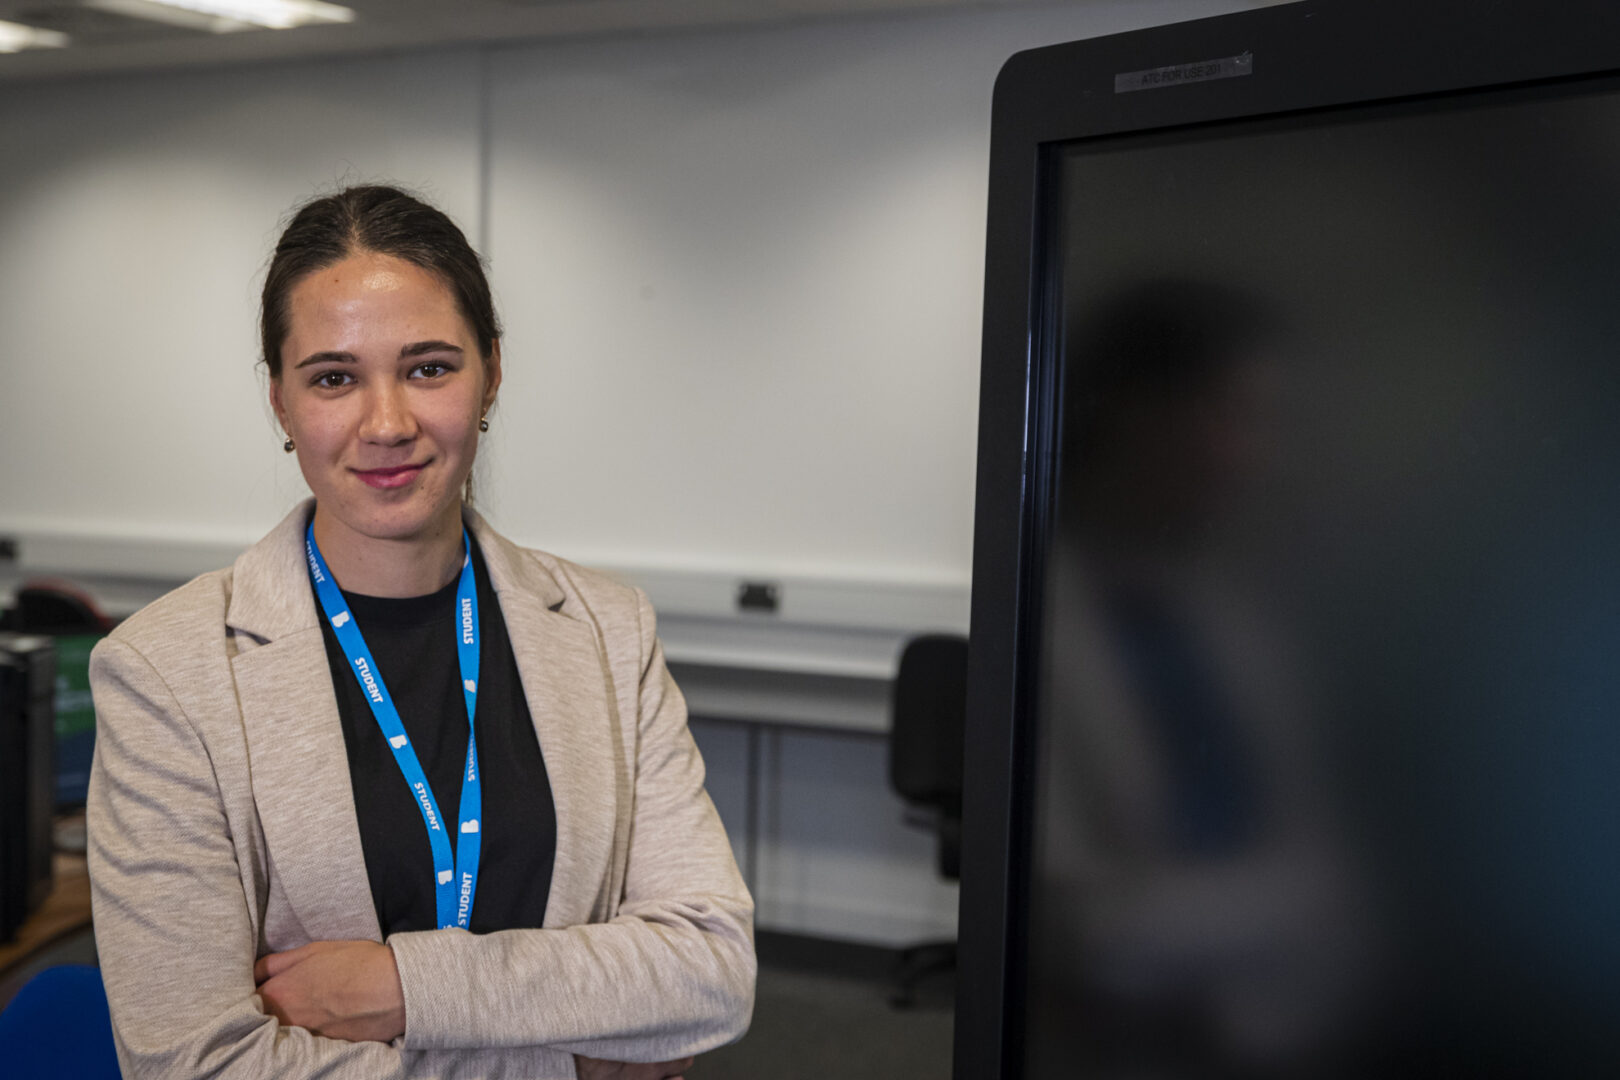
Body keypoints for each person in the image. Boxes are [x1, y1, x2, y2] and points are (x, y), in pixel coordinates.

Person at [86, 185, 755, 1080]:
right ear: (282, 404)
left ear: (493, 373)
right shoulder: (166, 675)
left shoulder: (606, 631)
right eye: (334, 377)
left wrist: (407, 986)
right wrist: (568, 1065)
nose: (389, 423)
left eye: (429, 367)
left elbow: (712, 971)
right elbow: (194, 1065)